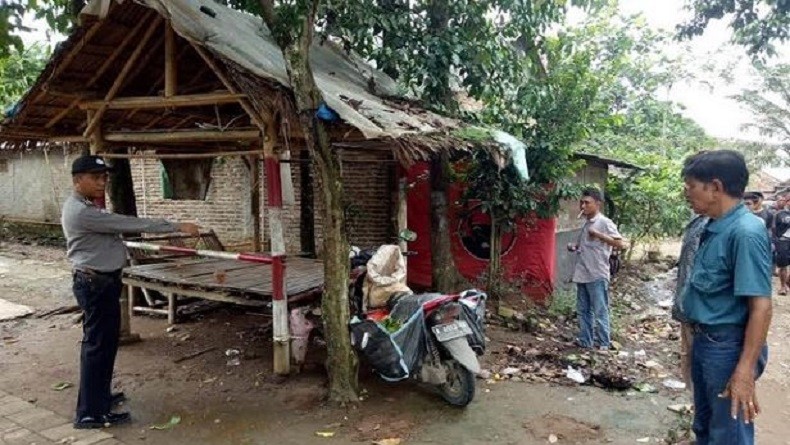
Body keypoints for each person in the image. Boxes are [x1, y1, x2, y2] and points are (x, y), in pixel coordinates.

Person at [62, 155, 200, 429]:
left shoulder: (87, 205)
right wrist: (175, 226)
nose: (102, 182)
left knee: (104, 345)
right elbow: (128, 224)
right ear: (78, 181)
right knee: (97, 347)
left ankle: (100, 398)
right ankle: (90, 413)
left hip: (101, 282)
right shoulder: (82, 212)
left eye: (104, 177)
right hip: (95, 284)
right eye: (95, 177)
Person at [681, 150, 771, 445]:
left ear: (715, 187)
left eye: (691, 185)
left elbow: (761, 307)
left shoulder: (745, 232)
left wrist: (744, 370)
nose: (686, 192)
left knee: (728, 436)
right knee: (705, 428)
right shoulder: (712, 227)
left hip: (727, 349)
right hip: (706, 342)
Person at [568, 187, 628, 350]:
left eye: (587, 203)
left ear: (598, 204)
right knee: (583, 310)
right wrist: (575, 247)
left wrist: (599, 235)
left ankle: (604, 343)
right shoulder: (586, 223)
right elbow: (587, 246)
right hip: (582, 273)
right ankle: (585, 340)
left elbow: (620, 244)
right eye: (582, 203)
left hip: (597, 274)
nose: (583, 206)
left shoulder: (604, 222)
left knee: (600, 310)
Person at [772, 194, 790, 295]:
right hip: (783, 241)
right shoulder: (779, 214)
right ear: (787, 202)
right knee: (783, 265)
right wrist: (776, 241)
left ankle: (788, 281)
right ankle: (783, 286)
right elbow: (773, 229)